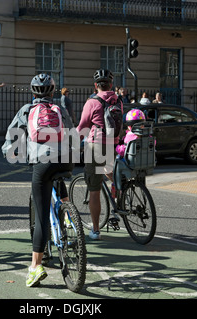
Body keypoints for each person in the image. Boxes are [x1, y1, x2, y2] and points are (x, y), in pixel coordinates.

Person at [1, 74, 75, 288]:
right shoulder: (60, 109)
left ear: (33, 92)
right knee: (59, 177)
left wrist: (9, 153)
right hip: (66, 160)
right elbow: (71, 131)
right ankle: (69, 218)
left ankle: (35, 266)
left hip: (42, 162)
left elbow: (12, 137)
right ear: (53, 92)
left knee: (42, 217)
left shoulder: (26, 110)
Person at [76, 69, 122, 240]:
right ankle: (119, 190)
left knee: (94, 189)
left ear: (96, 86)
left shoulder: (92, 101)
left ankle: (95, 230)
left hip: (96, 145)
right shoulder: (119, 100)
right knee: (109, 170)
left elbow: (82, 127)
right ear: (111, 85)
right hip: (114, 143)